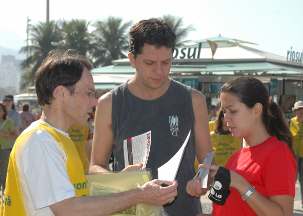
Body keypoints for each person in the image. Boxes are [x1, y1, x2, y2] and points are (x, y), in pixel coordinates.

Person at [1, 50, 177, 216]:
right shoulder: (41, 140)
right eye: (89, 93)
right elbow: (68, 208)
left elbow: (78, 194)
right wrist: (138, 194)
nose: (95, 102)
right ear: (61, 93)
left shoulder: (58, 139)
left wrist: (122, 181)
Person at [90, 18, 211, 216]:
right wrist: (119, 179)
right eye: (150, 63)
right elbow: (95, 166)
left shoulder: (193, 100)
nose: (159, 71)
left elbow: (207, 160)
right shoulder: (109, 103)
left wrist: (202, 182)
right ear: (132, 59)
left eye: (166, 62)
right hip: (132, 211)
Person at [187, 77, 296, 215]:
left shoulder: (278, 153)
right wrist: (205, 185)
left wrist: (242, 185)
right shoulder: (237, 157)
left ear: (256, 110)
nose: (225, 118)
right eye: (224, 111)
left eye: (232, 111)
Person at [0, 102, 18, 191]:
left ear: (4, 111)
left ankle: (5, 194)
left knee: (4, 173)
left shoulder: (8, 122)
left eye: (0, 110)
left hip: (5, 150)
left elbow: (16, 135)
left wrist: (5, 134)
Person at [289, 100, 303, 207]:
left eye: (302, 109)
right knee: (291, 179)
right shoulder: (291, 122)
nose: (300, 112)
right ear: (295, 111)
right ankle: (289, 200)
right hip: (293, 155)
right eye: (298, 110)